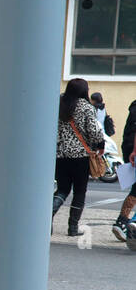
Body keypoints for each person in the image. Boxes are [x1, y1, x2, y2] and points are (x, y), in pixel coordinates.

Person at [53, 78, 105, 237]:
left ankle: (47, 215)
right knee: (80, 191)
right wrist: (100, 144)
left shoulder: (58, 104)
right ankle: (73, 228)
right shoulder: (86, 107)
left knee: (62, 189)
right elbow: (94, 131)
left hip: (60, 155)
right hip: (80, 156)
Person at [113, 99, 136, 242]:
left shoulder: (134, 106)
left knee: (135, 188)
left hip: (128, 148)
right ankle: (128, 224)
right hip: (133, 149)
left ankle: (122, 222)